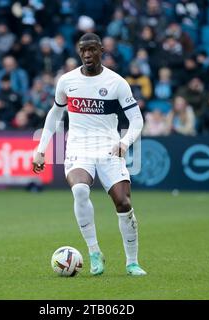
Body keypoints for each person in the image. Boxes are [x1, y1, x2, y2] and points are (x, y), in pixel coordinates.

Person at [32, 33, 146, 276]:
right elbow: (54, 115)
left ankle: (132, 262)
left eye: (92, 50)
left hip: (109, 148)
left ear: (101, 50)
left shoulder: (117, 83)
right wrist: (41, 150)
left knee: (123, 204)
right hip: (78, 148)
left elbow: (137, 119)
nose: (87, 55)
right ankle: (94, 252)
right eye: (83, 50)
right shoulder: (67, 81)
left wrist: (125, 142)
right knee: (80, 190)